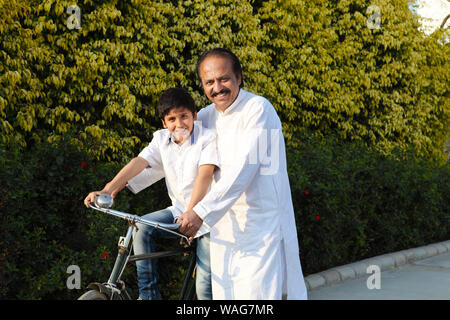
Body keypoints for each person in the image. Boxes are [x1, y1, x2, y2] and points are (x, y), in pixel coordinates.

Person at [177, 48, 308, 300]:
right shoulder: (203, 117)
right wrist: (117, 185)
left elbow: (243, 169)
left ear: (238, 76)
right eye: (209, 82)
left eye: (224, 79)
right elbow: (170, 153)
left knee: (256, 296)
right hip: (222, 227)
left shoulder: (259, 109)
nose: (217, 88)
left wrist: (200, 212)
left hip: (260, 225)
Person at [84, 87, 218, 300]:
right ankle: (149, 296)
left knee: (204, 289)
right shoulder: (161, 139)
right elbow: (139, 162)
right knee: (141, 227)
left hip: (207, 217)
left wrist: (192, 214)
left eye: (184, 116)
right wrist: (108, 189)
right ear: (164, 123)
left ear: (194, 115)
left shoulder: (207, 138)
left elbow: (205, 175)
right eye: (172, 119)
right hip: (178, 211)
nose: (179, 124)